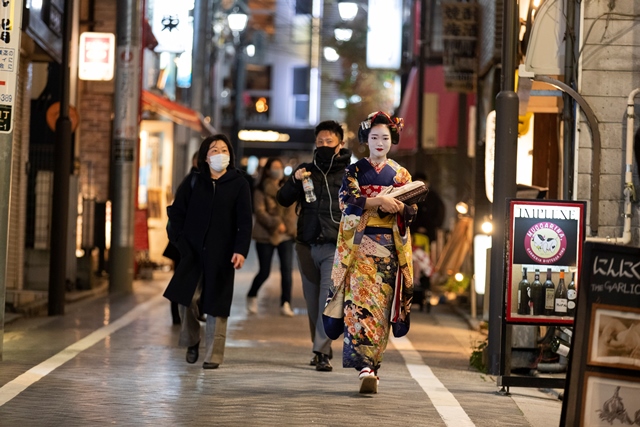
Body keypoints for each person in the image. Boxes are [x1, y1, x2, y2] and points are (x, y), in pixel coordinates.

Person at [326, 111, 415, 394]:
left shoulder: (401, 174)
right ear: (366, 139)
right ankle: (363, 365)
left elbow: (412, 209)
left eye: (385, 138)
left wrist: (401, 208)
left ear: (392, 140)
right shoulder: (354, 171)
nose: (379, 142)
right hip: (359, 249)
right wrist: (379, 200)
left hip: (388, 250)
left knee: (379, 310)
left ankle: (373, 367)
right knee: (357, 307)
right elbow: (347, 201)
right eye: (374, 137)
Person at [163, 134, 253, 369]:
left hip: (222, 254)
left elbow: (245, 221)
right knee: (185, 300)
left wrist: (240, 250)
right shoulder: (193, 181)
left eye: (224, 150)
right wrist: (179, 241)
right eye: (214, 150)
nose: (220, 154)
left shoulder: (239, 183)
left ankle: (213, 355)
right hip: (192, 252)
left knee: (217, 304)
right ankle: (192, 340)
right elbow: (176, 213)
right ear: (205, 156)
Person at [276, 120, 352, 372]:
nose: (323, 146)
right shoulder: (305, 171)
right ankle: (320, 347)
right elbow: (283, 199)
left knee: (326, 300)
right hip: (306, 245)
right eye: (319, 142)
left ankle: (321, 351)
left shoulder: (349, 175)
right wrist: (294, 181)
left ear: (340, 144)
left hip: (333, 246)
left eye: (329, 142)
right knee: (311, 302)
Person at [246, 157, 297, 317]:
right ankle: (252, 294)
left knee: (287, 271)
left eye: (279, 167)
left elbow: (293, 208)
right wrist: (276, 223)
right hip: (266, 235)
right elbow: (259, 212)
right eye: (274, 167)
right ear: (267, 170)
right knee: (265, 271)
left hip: (286, 235)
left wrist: (289, 226)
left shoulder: (289, 187)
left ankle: (285, 303)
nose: (277, 170)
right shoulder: (260, 188)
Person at [163, 151, 199, 325]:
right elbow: (177, 212)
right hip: (184, 241)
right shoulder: (191, 181)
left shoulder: (196, 180)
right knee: (181, 276)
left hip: (186, 240)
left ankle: (184, 313)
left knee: (184, 276)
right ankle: (177, 314)